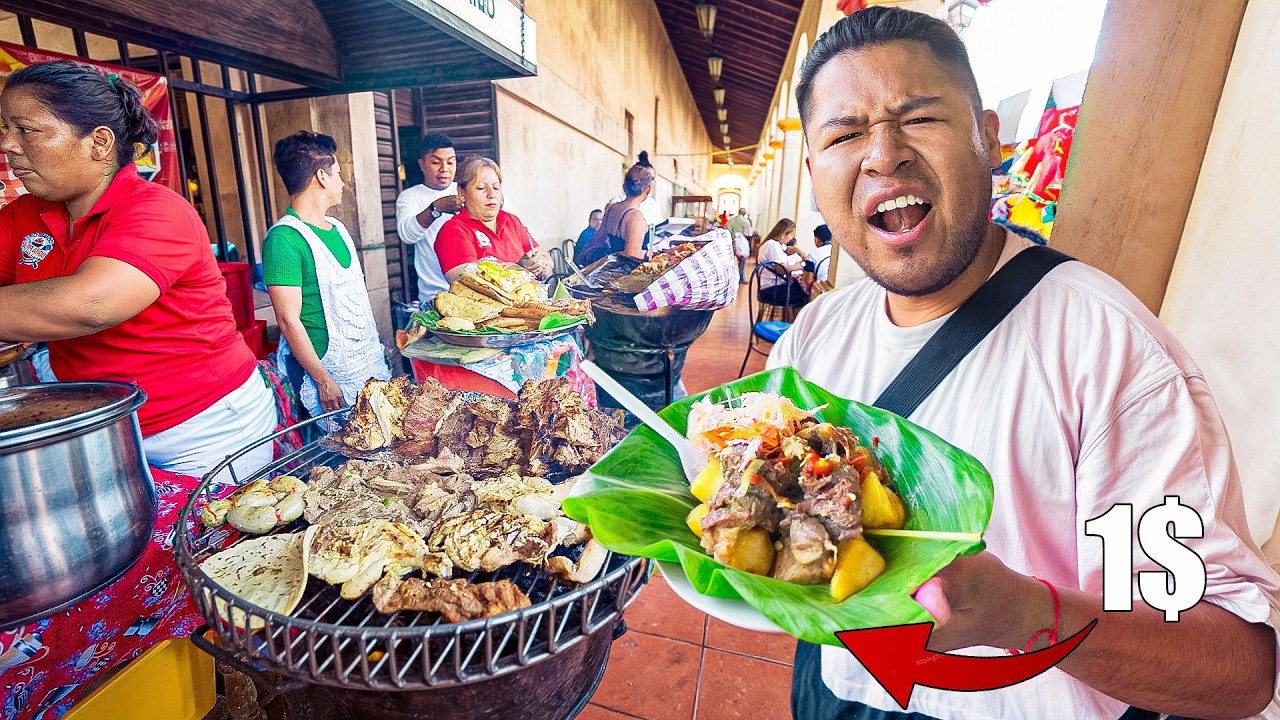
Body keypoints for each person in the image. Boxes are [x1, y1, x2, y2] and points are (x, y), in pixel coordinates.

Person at [773, 8, 1279, 719]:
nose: (883, 155)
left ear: (988, 137)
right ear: (815, 170)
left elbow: (1238, 668)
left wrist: (1024, 615)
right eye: (846, 133)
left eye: (919, 119)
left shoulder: (1107, 354)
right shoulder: (816, 336)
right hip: (834, 688)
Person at [0, 60, 275, 479]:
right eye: (5, 129)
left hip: (203, 427)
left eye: (27, 130)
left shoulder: (157, 209)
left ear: (99, 143)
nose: (9, 145)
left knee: (213, 536)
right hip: (102, 422)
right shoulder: (25, 215)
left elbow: (91, 303)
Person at [262, 131, 390, 418]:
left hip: (368, 365)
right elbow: (287, 319)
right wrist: (322, 380)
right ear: (322, 177)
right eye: (339, 174)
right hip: (330, 377)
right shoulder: (284, 239)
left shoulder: (338, 228)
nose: (343, 183)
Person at [434, 156, 553, 282]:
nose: (491, 195)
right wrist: (518, 270)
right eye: (481, 188)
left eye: (496, 188)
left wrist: (541, 264)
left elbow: (546, 261)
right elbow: (466, 281)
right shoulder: (453, 230)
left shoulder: (511, 221)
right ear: (462, 193)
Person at [394, 132, 462, 305]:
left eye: (450, 162)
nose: (444, 169)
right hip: (434, 295)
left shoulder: (465, 190)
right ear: (422, 165)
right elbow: (407, 235)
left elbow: (502, 206)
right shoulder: (410, 196)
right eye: (435, 162)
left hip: (470, 293)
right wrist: (435, 208)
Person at [580, 161, 654, 266]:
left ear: (624, 187)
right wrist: (653, 253)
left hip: (612, 269)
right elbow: (632, 255)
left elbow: (599, 237)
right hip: (628, 275)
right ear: (648, 189)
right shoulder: (635, 217)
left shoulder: (612, 208)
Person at [755, 218, 809, 308]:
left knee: (800, 291)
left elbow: (787, 249)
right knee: (804, 295)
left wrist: (797, 250)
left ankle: (790, 320)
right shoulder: (772, 245)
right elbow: (782, 270)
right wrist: (800, 266)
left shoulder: (775, 244)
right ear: (783, 234)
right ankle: (793, 321)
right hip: (771, 289)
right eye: (791, 235)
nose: (791, 238)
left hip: (771, 286)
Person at [727, 208, 754, 283]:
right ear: (744, 213)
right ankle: (741, 277)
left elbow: (727, 231)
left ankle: (730, 278)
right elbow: (748, 234)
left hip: (732, 243)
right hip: (741, 244)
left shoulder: (732, 220)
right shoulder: (746, 222)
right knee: (741, 261)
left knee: (731, 260)